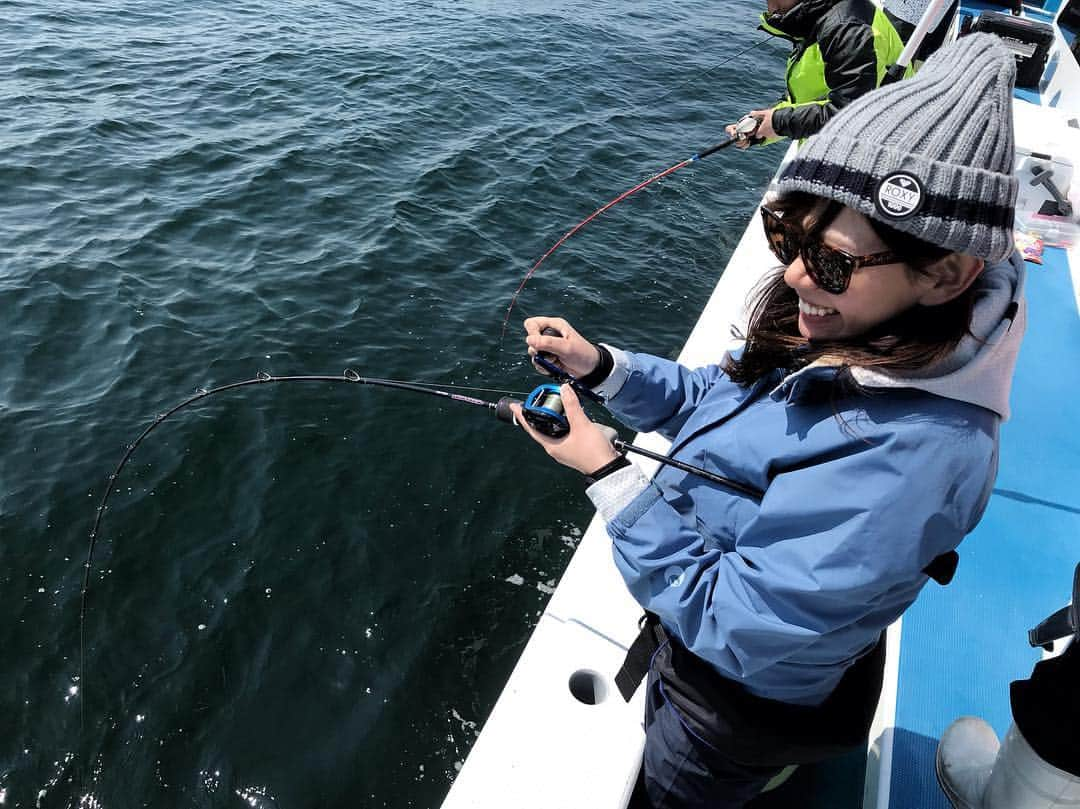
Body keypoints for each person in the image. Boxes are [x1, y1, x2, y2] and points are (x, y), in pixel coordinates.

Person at [511, 34, 1024, 809]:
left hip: (730, 708)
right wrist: (605, 367)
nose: (790, 274)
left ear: (946, 273)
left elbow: (739, 628)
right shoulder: (847, 328)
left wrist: (606, 473)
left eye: (832, 262)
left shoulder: (920, 457)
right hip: (738, 643)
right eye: (788, 237)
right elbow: (715, 397)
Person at [725, 0, 906, 146]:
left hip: (872, 152)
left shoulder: (847, 30)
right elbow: (810, 96)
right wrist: (762, 125)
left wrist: (780, 123)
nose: (770, 7)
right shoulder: (816, 18)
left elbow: (853, 114)